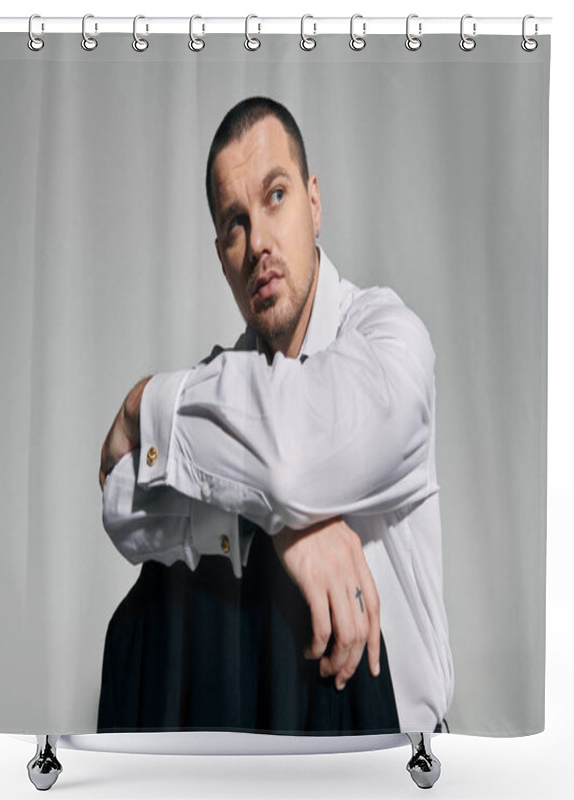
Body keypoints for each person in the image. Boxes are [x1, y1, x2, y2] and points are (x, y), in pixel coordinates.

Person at [97, 97, 453, 735]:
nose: (258, 240)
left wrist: (142, 402)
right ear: (221, 255)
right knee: (146, 617)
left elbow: (290, 455)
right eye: (235, 223)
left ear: (315, 203)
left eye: (276, 196)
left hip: (395, 756)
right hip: (265, 739)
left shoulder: (389, 338)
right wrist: (280, 525)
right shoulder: (221, 383)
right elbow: (121, 504)